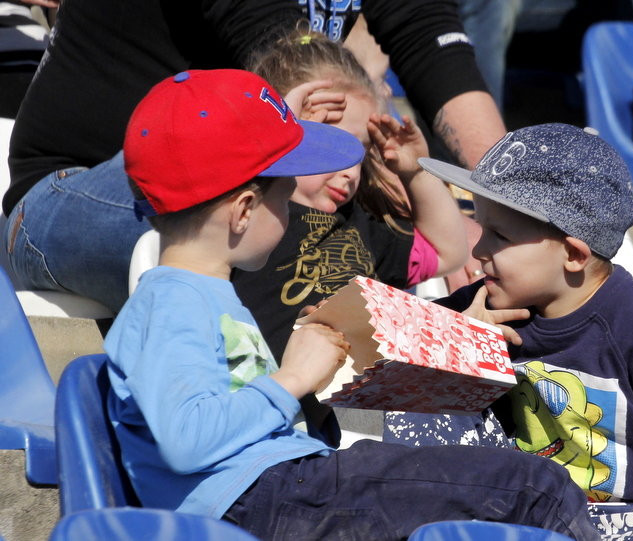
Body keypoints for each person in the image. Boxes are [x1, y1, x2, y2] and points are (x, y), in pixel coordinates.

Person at [105, 68, 600, 541]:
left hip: (283, 487)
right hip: (259, 500)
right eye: (283, 199)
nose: (290, 212)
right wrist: (293, 379)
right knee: (535, 489)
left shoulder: (200, 292)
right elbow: (186, 439)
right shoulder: (171, 302)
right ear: (244, 211)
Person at [392, 123, 633, 540]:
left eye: (499, 235)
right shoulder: (481, 306)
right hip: (517, 513)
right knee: (427, 371)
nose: (479, 251)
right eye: (481, 228)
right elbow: (383, 350)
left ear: (573, 255)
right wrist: (456, 344)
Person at [2, 0, 502, 313]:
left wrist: (503, 213)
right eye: (347, 151)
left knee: (278, 232)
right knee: (231, 224)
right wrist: (389, 185)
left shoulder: (309, 176)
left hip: (257, 181)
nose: (354, 171)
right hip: (72, 191)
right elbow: (283, 58)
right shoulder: (293, 128)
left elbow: (432, 44)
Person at [231, 29, 467, 362]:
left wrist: (416, 173)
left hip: (353, 402)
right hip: (268, 395)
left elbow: (450, 254)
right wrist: (282, 134)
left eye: (362, 153)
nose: (352, 172)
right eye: (334, 146)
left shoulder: (363, 226)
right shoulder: (244, 210)